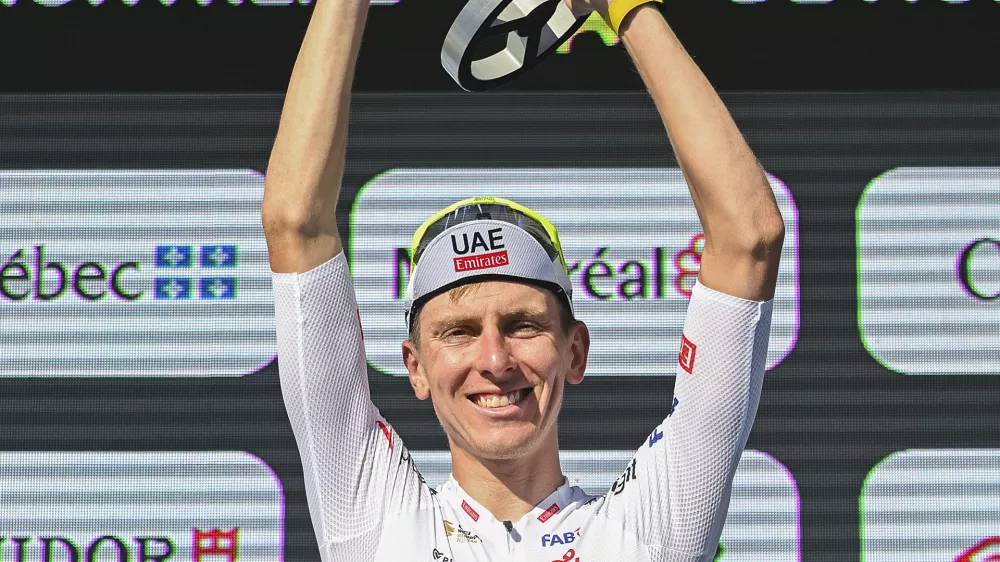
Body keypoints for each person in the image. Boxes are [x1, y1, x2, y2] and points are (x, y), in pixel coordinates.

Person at [261, 0, 785, 559]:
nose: (494, 359)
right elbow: (296, 222)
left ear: (575, 350)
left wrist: (624, 6)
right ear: (415, 366)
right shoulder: (375, 522)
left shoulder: (646, 534)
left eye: (522, 325)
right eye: (459, 331)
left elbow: (749, 238)